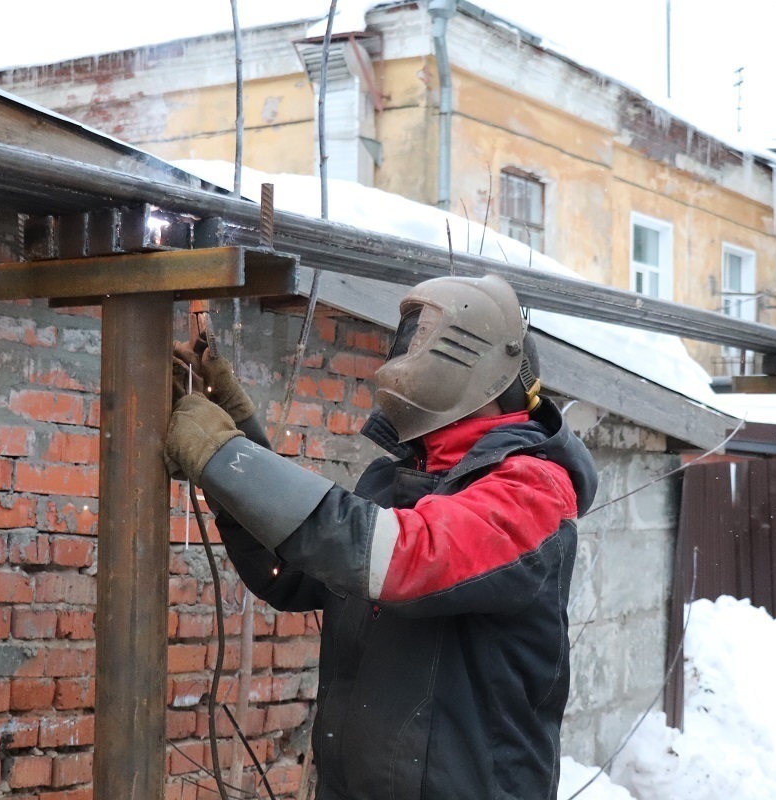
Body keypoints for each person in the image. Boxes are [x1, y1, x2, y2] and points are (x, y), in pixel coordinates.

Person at [165, 274, 598, 800]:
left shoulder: (532, 489)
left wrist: (226, 457)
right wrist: (238, 438)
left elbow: (404, 558)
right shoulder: (396, 483)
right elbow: (297, 571)